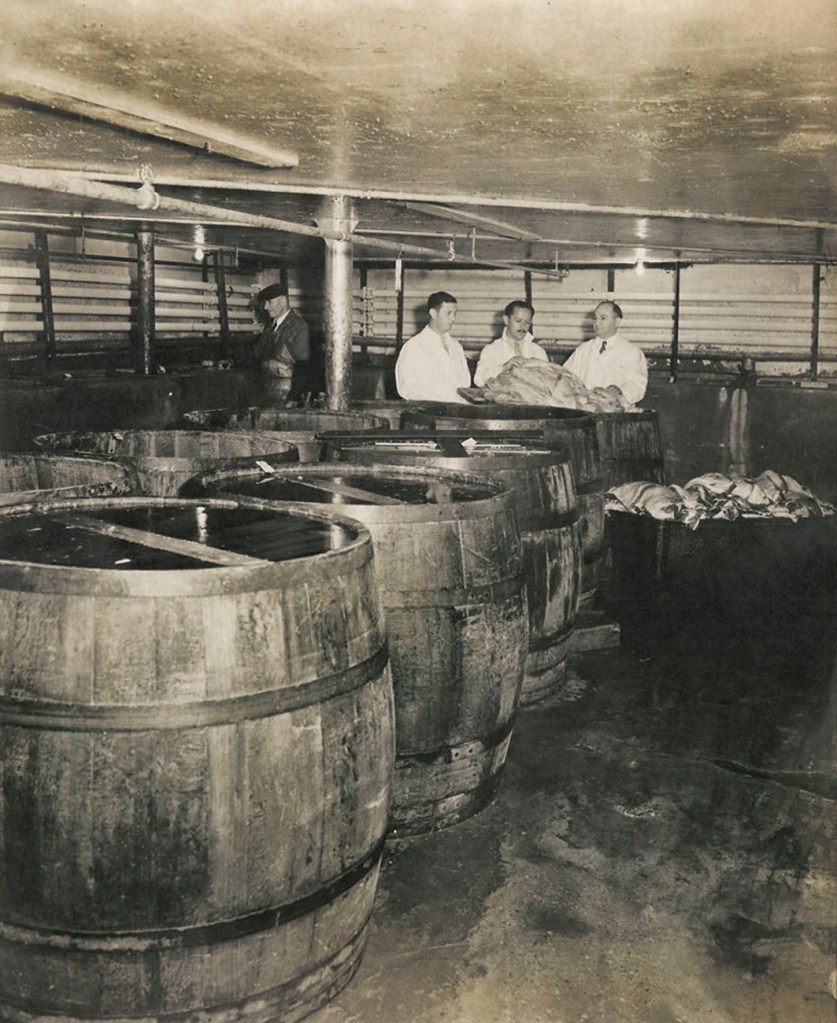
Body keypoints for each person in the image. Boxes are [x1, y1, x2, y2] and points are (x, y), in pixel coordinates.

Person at [561, 300, 648, 404]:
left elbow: (638, 386)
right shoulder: (583, 349)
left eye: (603, 318)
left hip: (614, 411)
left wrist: (621, 391)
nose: (597, 323)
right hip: (584, 409)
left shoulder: (632, 352)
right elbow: (565, 376)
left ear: (617, 322)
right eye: (595, 318)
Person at [395, 291, 472, 403]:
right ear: (433, 313)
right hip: (429, 413)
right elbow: (407, 389)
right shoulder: (414, 347)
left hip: (458, 412)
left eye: (455, 313)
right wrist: (447, 398)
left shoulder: (456, 347)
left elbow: (465, 383)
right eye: (449, 313)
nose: (453, 319)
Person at [253, 281, 310, 404]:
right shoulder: (271, 327)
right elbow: (258, 356)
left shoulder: (299, 327)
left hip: (287, 399)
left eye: (269, 302)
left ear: (283, 301)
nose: (265, 307)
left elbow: (303, 367)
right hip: (267, 397)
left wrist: (294, 397)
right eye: (264, 303)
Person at [474, 300, 548, 387]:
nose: (522, 326)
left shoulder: (538, 351)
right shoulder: (491, 350)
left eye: (527, 322)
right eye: (518, 321)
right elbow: (478, 380)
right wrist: (504, 367)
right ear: (506, 320)